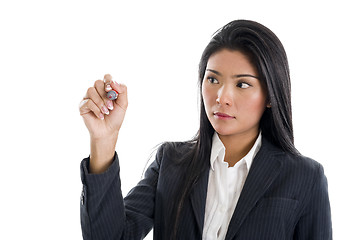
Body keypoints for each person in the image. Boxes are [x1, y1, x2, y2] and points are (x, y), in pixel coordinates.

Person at [79, 20, 332, 240]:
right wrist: (103, 140)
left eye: (242, 84)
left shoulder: (305, 177)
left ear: (270, 95)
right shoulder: (171, 163)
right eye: (213, 79)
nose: (222, 97)